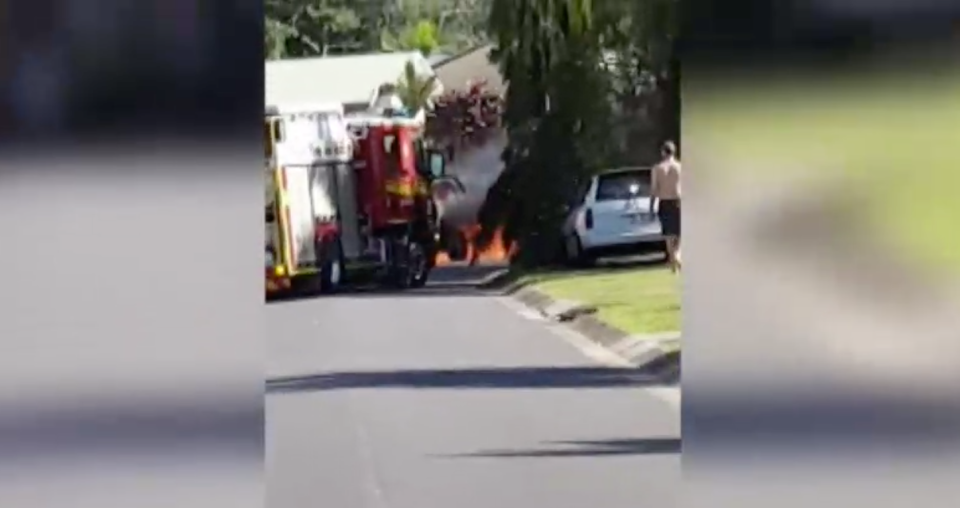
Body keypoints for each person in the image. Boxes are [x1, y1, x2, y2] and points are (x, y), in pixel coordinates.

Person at [650, 140, 682, 273]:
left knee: (668, 234)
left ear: (663, 152)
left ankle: (673, 259)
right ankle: (677, 255)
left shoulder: (657, 168)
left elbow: (654, 189)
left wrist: (651, 205)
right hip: (679, 201)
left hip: (664, 201)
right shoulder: (680, 167)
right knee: (680, 233)